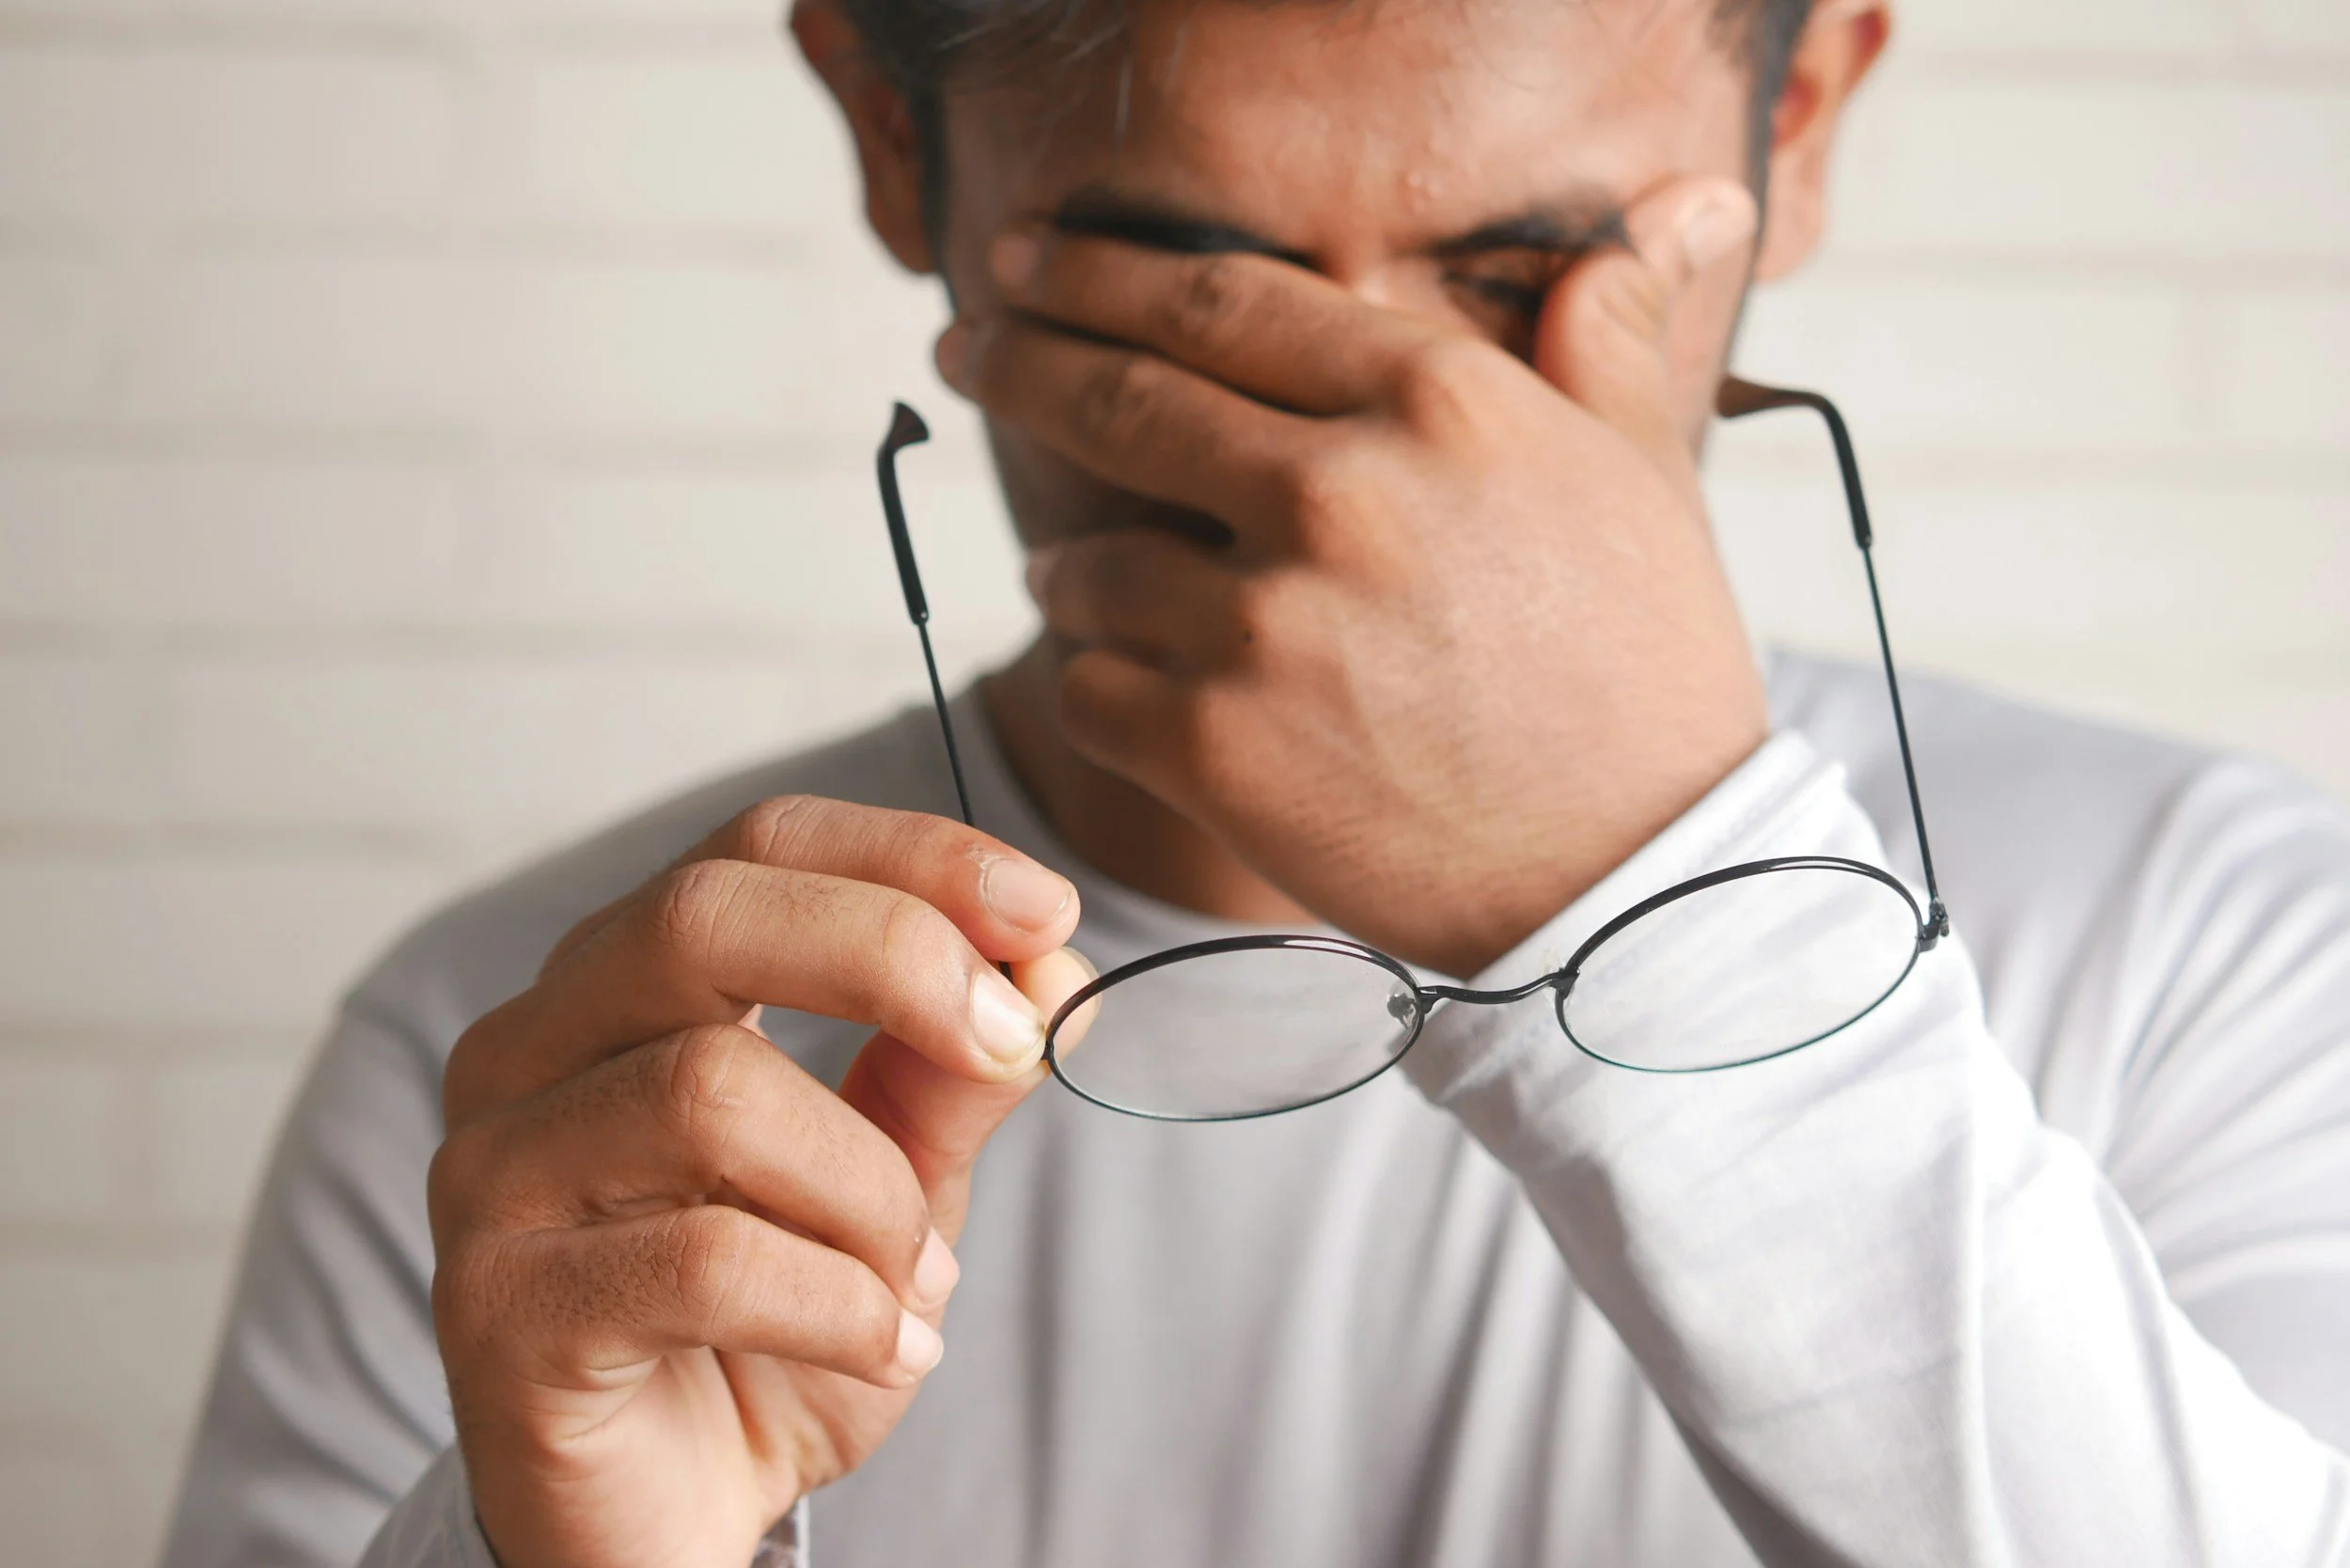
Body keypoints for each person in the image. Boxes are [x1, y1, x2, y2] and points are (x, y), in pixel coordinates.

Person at [160, 0, 2350, 1563]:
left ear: (1802, 113)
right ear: (891, 133)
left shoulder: (2220, 947)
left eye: (1521, 278)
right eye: (1187, 288)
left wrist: (1644, 877)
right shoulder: (566, 1086)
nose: (1376, 443)